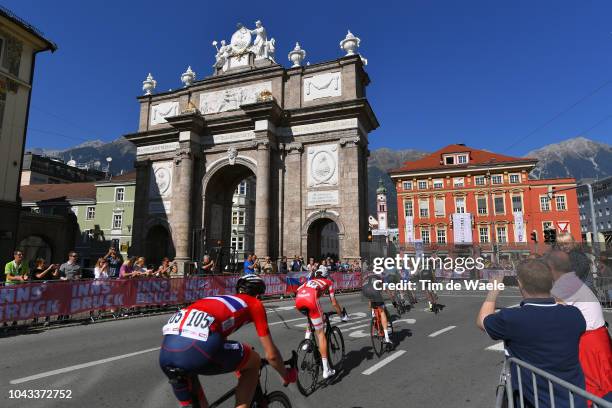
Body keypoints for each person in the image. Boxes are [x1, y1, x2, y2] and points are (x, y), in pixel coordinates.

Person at [159, 275, 297, 408]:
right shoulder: (254, 303)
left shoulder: (219, 299)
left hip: (166, 354)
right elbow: (271, 355)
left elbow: (222, 342)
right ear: (258, 295)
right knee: (254, 361)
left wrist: (239, 365)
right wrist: (286, 374)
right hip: (199, 349)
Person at [477, 259, 587, 408]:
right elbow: (559, 306)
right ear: (552, 283)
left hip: (534, 401)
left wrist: (493, 291)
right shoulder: (574, 315)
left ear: (520, 284)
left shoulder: (512, 318)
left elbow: (482, 321)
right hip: (573, 400)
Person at [546, 250, 612, 402]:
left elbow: (551, 313)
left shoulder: (563, 285)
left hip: (589, 340)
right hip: (594, 336)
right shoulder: (570, 280)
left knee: (595, 385)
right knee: (601, 381)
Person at [294, 268, 348, 379]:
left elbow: (298, 289)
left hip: (299, 300)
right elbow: (333, 302)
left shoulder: (310, 281)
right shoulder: (328, 282)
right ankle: (326, 370)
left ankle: (306, 342)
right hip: (311, 301)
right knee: (320, 334)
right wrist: (341, 315)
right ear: (326, 276)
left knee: (312, 318)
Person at [361, 271, 393, 345]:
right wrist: (392, 299)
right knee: (382, 311)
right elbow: (385, 289)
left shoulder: (366, 276)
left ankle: (373, 315)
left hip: (365, 290)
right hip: (374, 290)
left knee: (371, 300)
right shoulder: (380, 276)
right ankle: (387, 338)